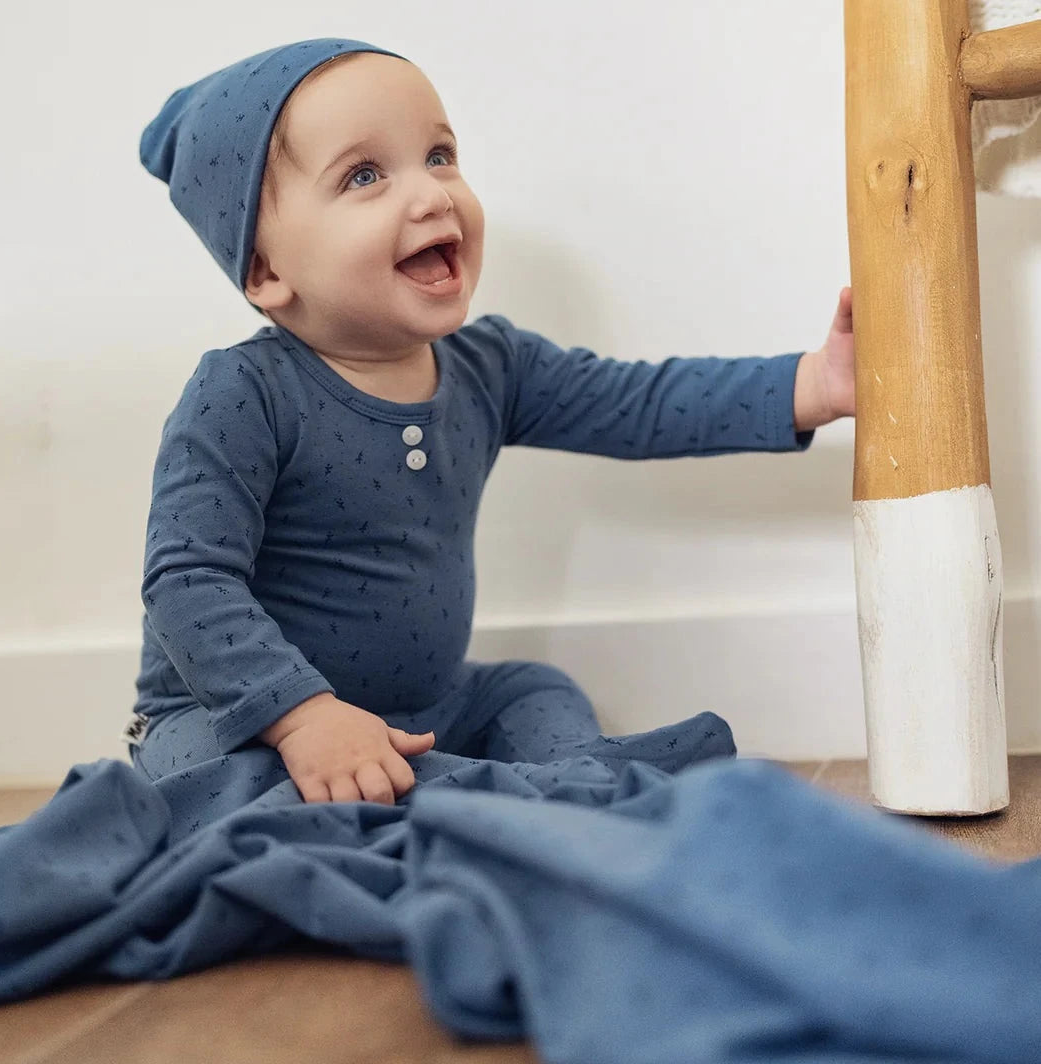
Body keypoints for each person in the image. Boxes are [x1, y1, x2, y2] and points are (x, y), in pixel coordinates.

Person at [128, 37, 856, 805]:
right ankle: (512, 795)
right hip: (233, 718)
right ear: (267, 272)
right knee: (216, 783)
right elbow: (187, 581)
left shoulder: (489, 367)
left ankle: (523, 780)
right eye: (365, 175)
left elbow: (638, 403)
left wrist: (813, 381)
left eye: (439, 155)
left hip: (426, 711)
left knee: (530, 690)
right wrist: (303, 716)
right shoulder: (244, 392)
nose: (434, 195)